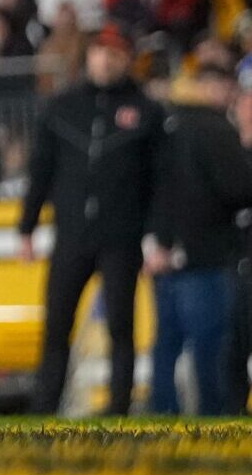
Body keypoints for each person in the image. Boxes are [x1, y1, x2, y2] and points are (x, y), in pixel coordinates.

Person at [21, 26, 159, 416]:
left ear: (127, 60)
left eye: (115, 53)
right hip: (71, 235)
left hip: (122, 237)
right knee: (56, 327)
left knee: (121, 327)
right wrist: (26, 226)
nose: (105, 59)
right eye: (100, 51)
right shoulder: (62, 106)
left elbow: (159, 179)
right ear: (88, 55)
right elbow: (41, 170)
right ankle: (43, 411)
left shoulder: (146, 111)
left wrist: (154, 234)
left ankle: (118, 411)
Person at [146, 50, 252, 414]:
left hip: (167, 251)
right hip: (207, 254)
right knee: (212, 346)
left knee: (167, 344)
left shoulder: (167, 125)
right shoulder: (213, 127)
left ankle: (161, 415)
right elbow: (239, 187)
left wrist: (158, 240)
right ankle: (214, 416)